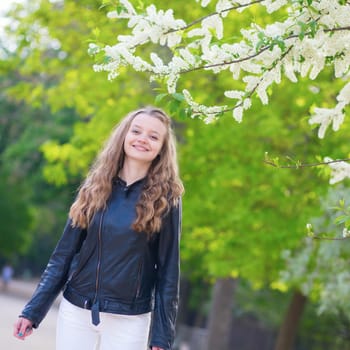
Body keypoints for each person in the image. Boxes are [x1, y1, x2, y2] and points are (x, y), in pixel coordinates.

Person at [13, 107, 184, 350]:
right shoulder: (95, 187)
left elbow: (168, 273)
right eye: (136, 131)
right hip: (76, 311)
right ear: (124, 135)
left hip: (129, 319)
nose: (143, 139)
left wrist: (161, 338)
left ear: (162, 148)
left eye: (153, 136)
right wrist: (33, 310)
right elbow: (63, 256)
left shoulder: (167, 198)